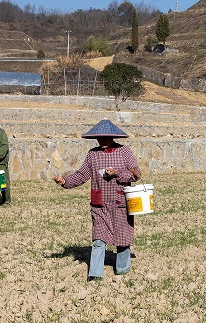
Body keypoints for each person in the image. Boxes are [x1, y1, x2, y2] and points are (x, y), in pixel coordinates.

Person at [53, 119, 142, 281]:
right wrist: (65, 181)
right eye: (99, 137)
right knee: (98, 239)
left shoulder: (124, 152)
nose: (101, 140)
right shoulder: (93, 154)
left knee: (122, 238)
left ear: (113, 137)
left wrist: (117, 174)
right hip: (99, 204)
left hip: (121, 203)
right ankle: (95, 274)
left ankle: (122, 269)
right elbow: (81, 176)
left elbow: (136, 174)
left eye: (105, 137)